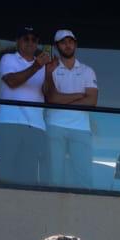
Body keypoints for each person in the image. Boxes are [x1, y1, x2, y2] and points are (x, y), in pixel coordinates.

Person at [42, 29, 98, 189]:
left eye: (70, 41)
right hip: (54, 126)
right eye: (63, 42)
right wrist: (79, 95)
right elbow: (51, 98)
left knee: (84, 178)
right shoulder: (50, 69)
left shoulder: (87, 70)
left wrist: (62, 100)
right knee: (54, 178)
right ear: (56, 46)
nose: (67, 45)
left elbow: (92, 101)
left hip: (81, 128)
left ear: (75, 44)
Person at [0, 27, 49, 186]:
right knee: (5, 172)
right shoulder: (8, 58)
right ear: (18, 41)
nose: (30, 42)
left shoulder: (44, 66)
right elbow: (11, 82)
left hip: (35, 126)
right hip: (9, 123)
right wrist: (37, 66)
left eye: (34, 39)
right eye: (26, 38)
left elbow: (49, 93)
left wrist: (52, 70)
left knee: (29, 176)